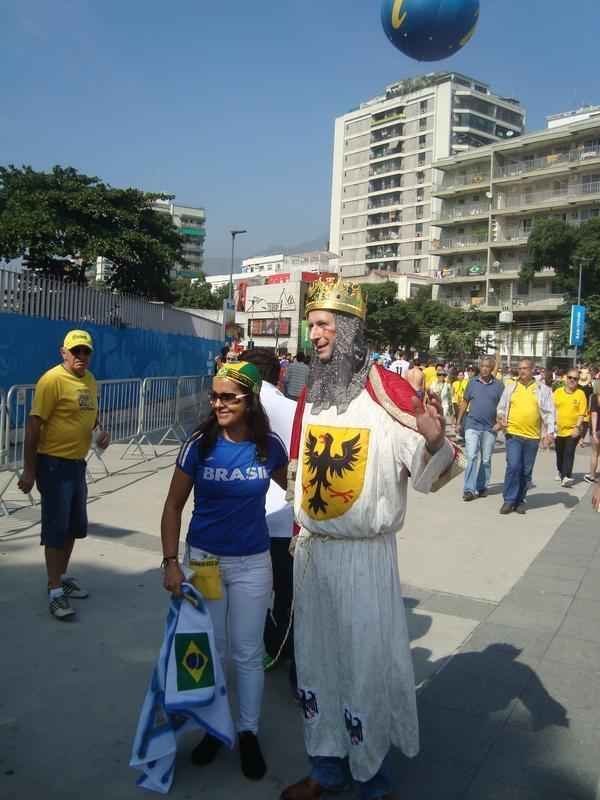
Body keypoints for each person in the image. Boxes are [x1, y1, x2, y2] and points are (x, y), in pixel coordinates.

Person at [280, 277, 461, 800]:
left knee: (363, 668)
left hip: (363, 558)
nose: (313, 334)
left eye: (323, 325)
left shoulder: (387, 392)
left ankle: (370, 778)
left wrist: (432, 438)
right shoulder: (313, 393)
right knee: (316, 662)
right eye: (310, 324)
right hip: (313, 554)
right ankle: (326, 768)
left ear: (351, 330)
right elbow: (300, 473)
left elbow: (428, 475)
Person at [160, 361, 288, 781]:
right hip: (206, 563)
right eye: (214, 396)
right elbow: (173, 506)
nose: (218, 403)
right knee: (210, 651)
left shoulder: (268, 446)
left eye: (228, 397)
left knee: (248, 653)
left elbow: (299, 492)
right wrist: (171, 562)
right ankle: (215, 729)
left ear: (250, 400)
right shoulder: (199, 444)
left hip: (254, 562)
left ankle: (247, 731)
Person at [17, 330, 110, 620]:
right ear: (64, 352)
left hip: (76, 464)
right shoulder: (52, 380)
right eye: (76, 351)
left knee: (73, 526)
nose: (82, 356)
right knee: (56, 529)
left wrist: (100, 433)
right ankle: (54, 590)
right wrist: (29, 470)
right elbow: (33, 427)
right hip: (53, 464)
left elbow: (91, 415)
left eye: (86, 351)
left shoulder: (90, 381)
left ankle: (61, 575)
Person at [241, 348, 296, 676]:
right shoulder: (295, 409)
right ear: (280, 374)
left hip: (252, 511)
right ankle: (283, 647)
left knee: (250, 587)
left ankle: (264, 645)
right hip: (287, 514)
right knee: (285, 591)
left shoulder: (243, 408)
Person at [496, 358, 555, 515]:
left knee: (526, 470)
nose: (522, 371)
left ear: (532, 369)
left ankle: (520, 500)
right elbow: (501, 407)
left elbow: (550, 412)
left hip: (533, 437)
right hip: (513, 434)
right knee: (513, 466)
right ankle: (509, 500)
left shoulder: (542, 389)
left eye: (525, 368)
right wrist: (501, 417)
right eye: (520, 368)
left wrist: (550, 432)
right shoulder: (511, 387)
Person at [456, 356, 504, 501]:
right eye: (482, 366)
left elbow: (504, 406)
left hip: (490, 428)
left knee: (486, 460)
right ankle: (469, 490)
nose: (484, 369)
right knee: (471, 456)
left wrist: (500, 423)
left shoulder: (499, 386)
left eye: (487, 366)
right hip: (472, 424)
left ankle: (481, 486)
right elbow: (465, 402)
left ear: (492, 368)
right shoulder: (472, 383)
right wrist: (458, 421)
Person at [553, 370, 587, 487]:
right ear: (566, 379)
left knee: (569, 452)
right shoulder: (557, 392)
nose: (572, 380)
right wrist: (551, 425)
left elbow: (582, 413)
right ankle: (560, 470)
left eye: (575, 378)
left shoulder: (580, 394)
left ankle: (566, 476)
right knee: (559, 453)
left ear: (578, 381)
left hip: (573, 429)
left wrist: (577, 427)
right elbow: (552, 409)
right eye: (570, 377)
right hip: (558, 429)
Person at [584, 381, 600, 483]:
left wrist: (593, 432)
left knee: (595, 453)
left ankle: (592, 475)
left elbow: (594, 415)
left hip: (597, 429)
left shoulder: (594, 397)